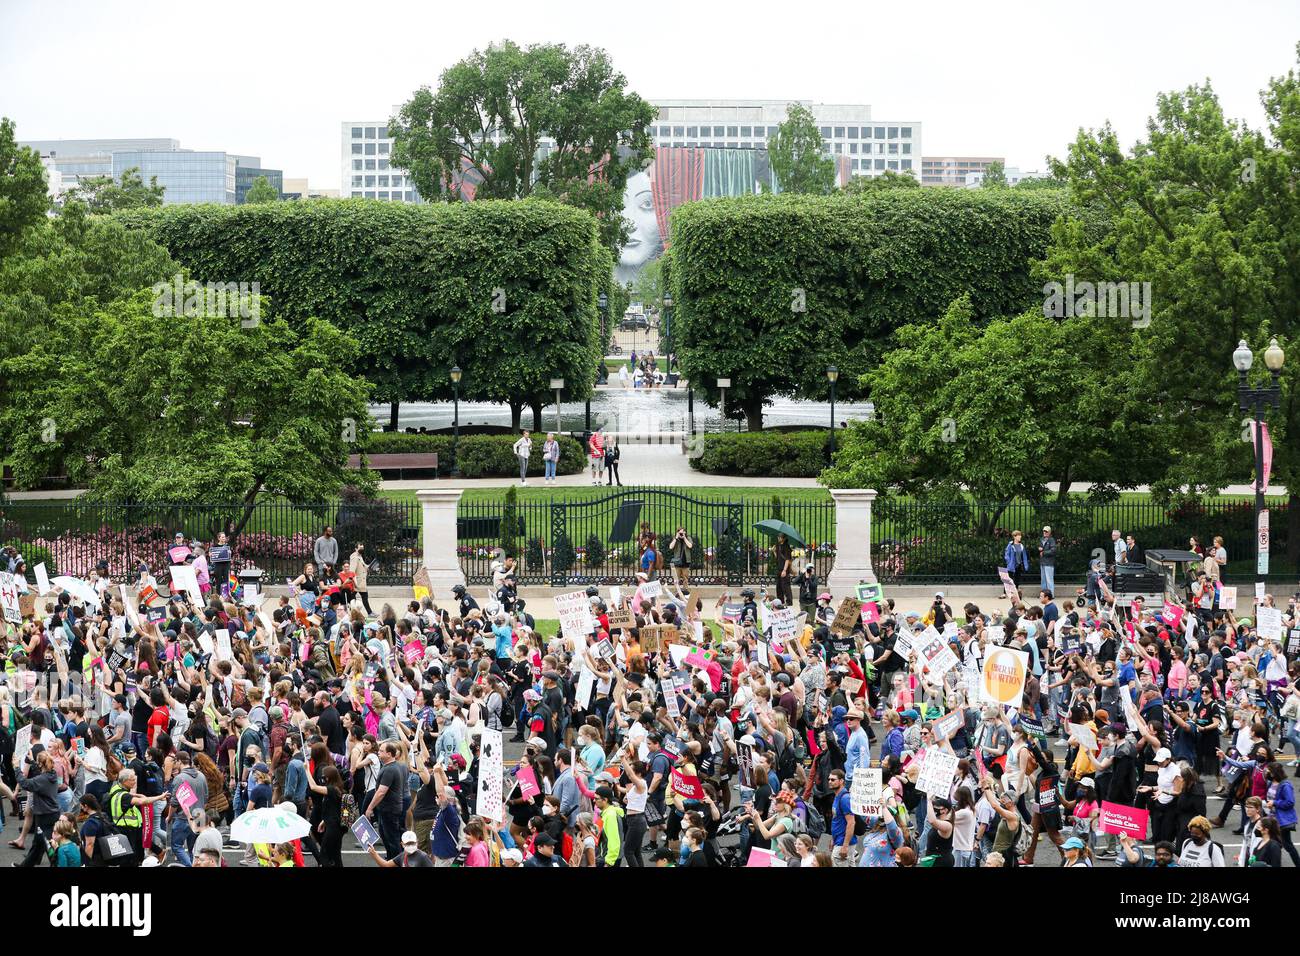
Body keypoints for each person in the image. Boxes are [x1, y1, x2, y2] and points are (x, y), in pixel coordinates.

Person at [773, 532, 793, 606]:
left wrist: (784, 570)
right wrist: (774, 551)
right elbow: (778, 558)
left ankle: (789, 602)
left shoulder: (786, 547)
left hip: (784, 570)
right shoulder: (778, 546)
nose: (779, 538)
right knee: (779, 587)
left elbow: (787, 559)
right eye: (778, 537)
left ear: (784, 538)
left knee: (786, 587)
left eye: (780, 537)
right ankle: (780, 601)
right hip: (779, 569)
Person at [1039, 526, 1057, 594]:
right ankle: (1044, 594)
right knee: (1043, 580)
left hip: (1049, 563)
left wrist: (1044, 552)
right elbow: (1040, 547)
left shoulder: (1051, 540)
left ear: (1049, 532)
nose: (1044, 532)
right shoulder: (1041, 539)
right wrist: (1040, 548)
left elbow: (1053, 550)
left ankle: (1051, 594)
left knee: (1049, 580)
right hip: (1042, 562)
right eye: (1044, 531)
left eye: (1046, 531)